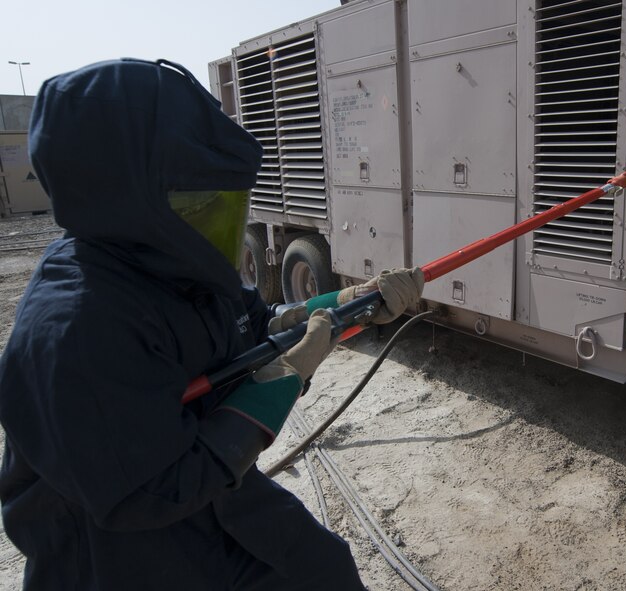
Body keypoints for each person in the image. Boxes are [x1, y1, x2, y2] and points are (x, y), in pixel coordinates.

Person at [0, 58, 424, 590]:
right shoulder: (73, 329)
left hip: (210, 499)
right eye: (200, 204)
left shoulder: (170, 262)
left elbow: (256, 326)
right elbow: (152, 489)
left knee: (322, 568)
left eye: (229, 203)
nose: (222, 223)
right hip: (117, 550)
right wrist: (281, 382)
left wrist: (352, 304)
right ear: (127, 199)